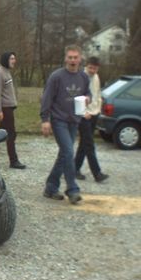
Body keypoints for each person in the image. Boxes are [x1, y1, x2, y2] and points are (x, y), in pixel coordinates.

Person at [40, 45, 90, 204]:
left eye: (75, 57)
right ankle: (72, 188)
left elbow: (88, 93)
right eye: (70, 57)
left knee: (64, 154)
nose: (73, 60)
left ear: (80, 59)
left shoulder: (83, 77)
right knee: (68, 151)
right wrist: (45, 120)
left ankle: (51, 187)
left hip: (74, 120)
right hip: (58, 120)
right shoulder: (57, 76)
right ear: (65, 58)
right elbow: (46, 98)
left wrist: (88, 99)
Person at [74, 57, 110, 183]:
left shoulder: (96, 77)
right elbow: (76, 97)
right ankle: (97, 173)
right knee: (89, 144)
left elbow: (97, 94)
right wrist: (84, 113)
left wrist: (98, 110)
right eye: (90, 67)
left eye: (95, 68)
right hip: (84, 116)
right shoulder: (80, 76)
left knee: (84, 144)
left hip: (94, 113)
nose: (92, 70)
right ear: (87, 66)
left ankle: (74, 169)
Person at [0, 51, 26, 169]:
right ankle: (14, 161)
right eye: (11, 58)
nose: (14, 61)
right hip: (5, 109)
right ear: (6, 59)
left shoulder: (7, 72)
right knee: (11, 134)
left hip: (9, 107)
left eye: (14, 59)